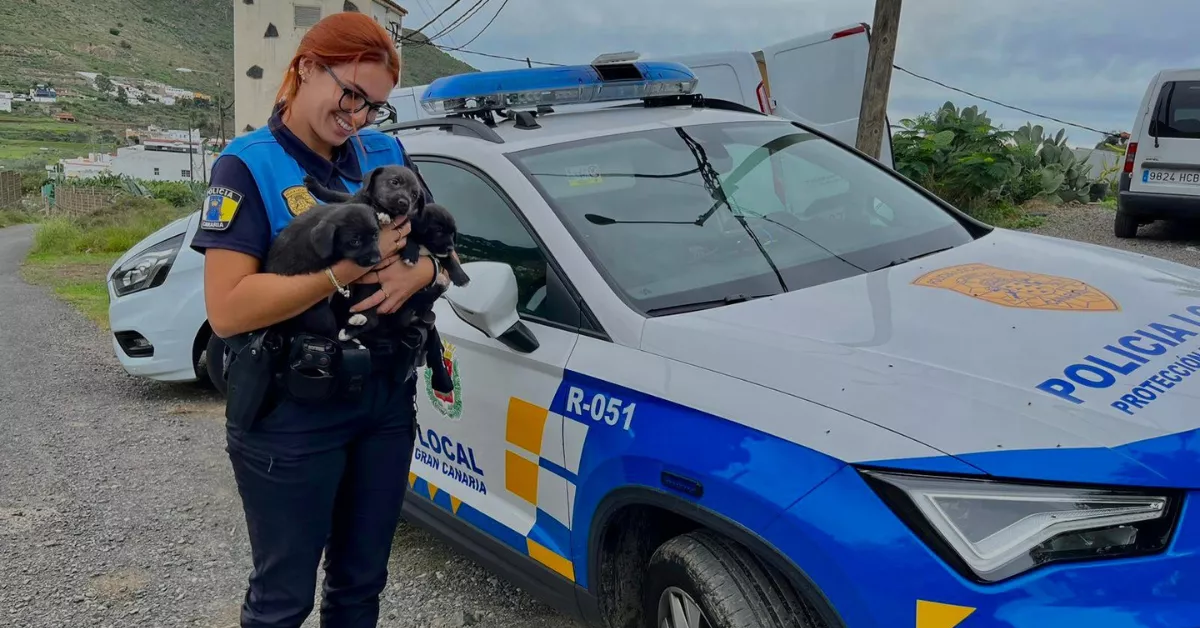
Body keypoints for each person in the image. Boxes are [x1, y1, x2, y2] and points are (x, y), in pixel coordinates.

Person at [191, 12, 446, 628]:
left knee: (360, 588)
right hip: (292, 410)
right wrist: (343, 273)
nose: (359, 116)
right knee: (283, 601)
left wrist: (424, 273)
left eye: (374, 105)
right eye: (351, 94)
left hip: (384, 402)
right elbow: (227, 310)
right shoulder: (248, 165)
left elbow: (439, 244)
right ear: (306, 67)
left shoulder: (385, 154)